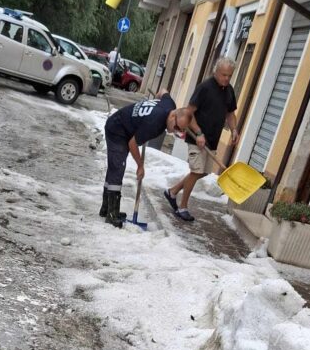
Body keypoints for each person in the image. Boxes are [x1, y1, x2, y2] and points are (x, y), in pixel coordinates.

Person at [164, 57, 239, 222]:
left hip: (212, 139)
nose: (226, 78)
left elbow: (230, 113)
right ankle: (182, 207)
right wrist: (198, 133)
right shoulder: (204, 88)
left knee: (202, 172)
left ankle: (172, 191)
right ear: (216, 72)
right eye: (223, 74)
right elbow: (189, 113)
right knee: (197, 171)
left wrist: (234, 129)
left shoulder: (229, 91)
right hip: (196, 137)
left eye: (229, 75)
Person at [102, 94, 190, 228]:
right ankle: (111, 214)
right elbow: (132, 144)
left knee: (115, 168)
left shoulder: (169, 104)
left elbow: (163, 91)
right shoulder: (154, 123)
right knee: (117, 168)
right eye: (177, 128)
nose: (176, 132)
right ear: (173, 117)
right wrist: (140, 166)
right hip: (117, 130)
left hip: (124, 126)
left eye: (182, 131)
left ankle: (106, 208)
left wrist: (151, 104)